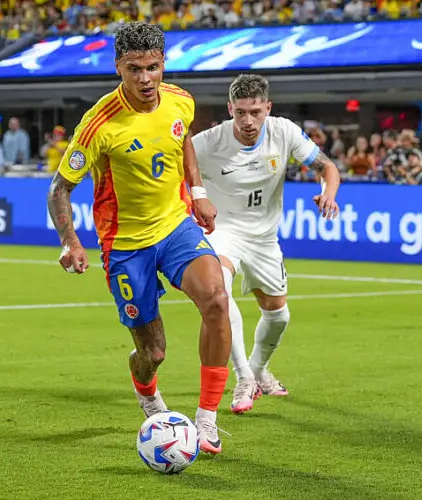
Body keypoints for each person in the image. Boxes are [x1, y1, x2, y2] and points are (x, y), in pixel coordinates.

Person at [47, 22, 231, 455]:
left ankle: (206, 420)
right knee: (154, 352)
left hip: (175, 226)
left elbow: (181, 140)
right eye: (135, 70)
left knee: (218, 299)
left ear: (163, 63)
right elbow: (59, 189)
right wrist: (71, 242)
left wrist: (199, 193)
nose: (146, 79)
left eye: (153, 67)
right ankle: (148, 393)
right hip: (126, 245)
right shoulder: (98, 125)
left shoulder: (180, 101)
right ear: (118, 68)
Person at [191, 74, 340, 414]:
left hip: (264, 237)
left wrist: (328, 193)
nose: (247, 120)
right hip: (222, 230)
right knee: (220, 293)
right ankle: (243, 376)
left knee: (278, 315)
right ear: (230, 109)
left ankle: (258, 369)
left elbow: (326, 167)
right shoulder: (208, 142)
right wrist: (194, 195)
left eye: (255, 112)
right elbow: (175, 166)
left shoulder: (283, 132)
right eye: (240, 112)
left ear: (268, 108)